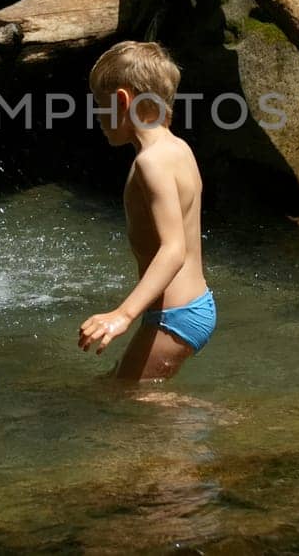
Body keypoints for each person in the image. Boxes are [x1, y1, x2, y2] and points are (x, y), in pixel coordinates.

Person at [78, 41, 215, 380]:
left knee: (130, 401)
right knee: (114, 385)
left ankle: (220, 419)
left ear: (123, 101)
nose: (97, 115)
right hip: (191, 306)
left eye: (100, 104)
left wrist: (123, 314)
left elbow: (173, 250)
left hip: (175, 316)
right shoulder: (178, 148)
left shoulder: (150, 163)